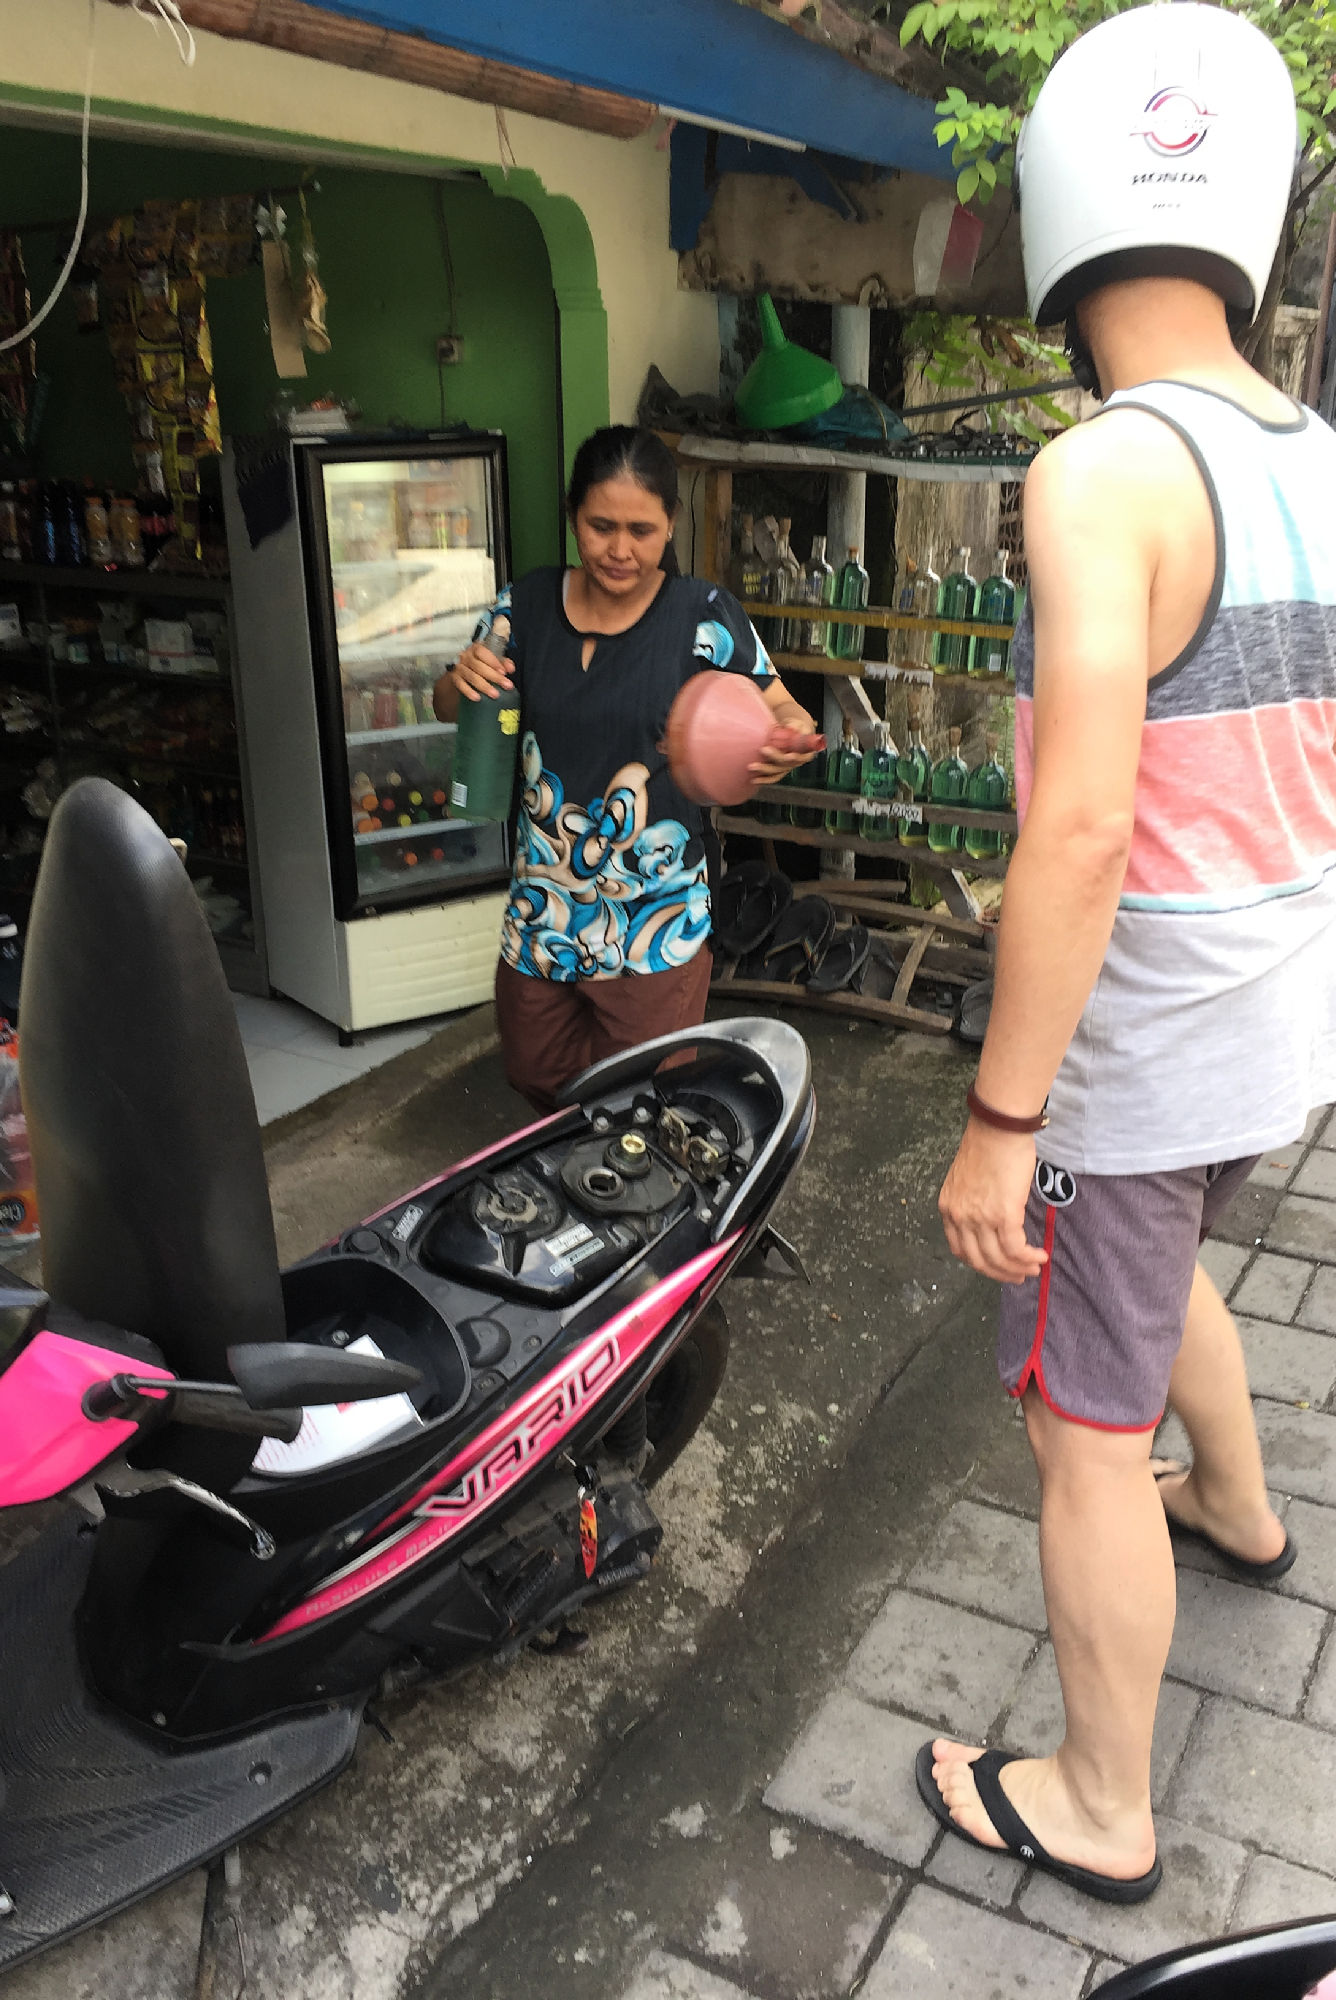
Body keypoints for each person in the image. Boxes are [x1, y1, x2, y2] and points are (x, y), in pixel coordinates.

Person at [922, 2, 1336, 1903]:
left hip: (1138, 1050)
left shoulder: (1100, 472)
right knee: (1165, 1269)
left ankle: (1103, 1800)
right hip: (1278, 1028)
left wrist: (1007, 1123)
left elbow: (1079, 828)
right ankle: (1240, 1507)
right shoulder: (1316, 452)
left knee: (1078, 1431)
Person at [435, 426, 816, 1111]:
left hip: (653, 921)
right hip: (543, 912)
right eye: (601, 526)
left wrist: (780, 745)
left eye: (641, 530)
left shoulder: (703, 618)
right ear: (573, 517)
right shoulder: (523, 608)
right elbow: (450, 706)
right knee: (535, 1073)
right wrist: (458, 680)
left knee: (643, 1102)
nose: (620, 549)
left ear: (671, 522)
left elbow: (786, 711)